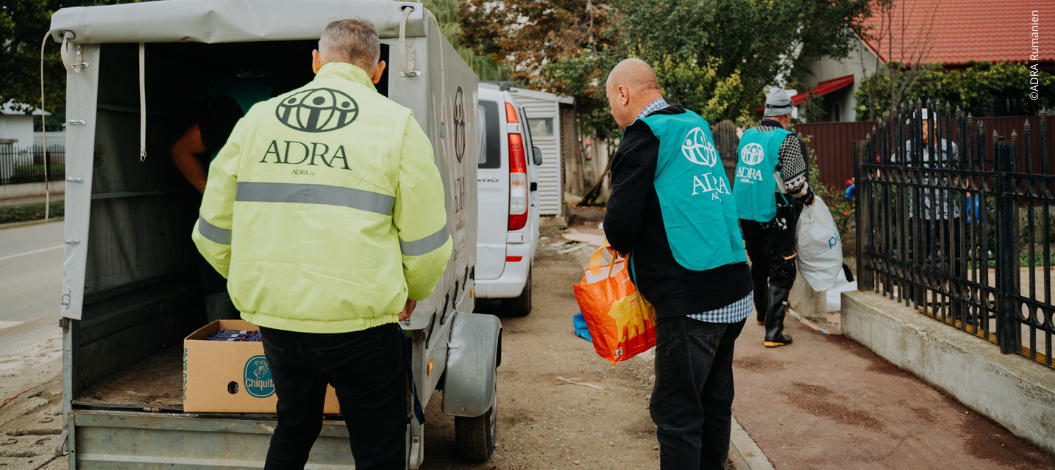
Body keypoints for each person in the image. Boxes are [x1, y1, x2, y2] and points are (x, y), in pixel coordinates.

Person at [192, 18, 452, 470]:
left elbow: (211, 231)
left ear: (315, 61)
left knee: (293, 428)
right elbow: (427, 244)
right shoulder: (397, 126)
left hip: (280, 328)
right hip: (363, 329)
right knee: (377, 449)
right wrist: (412, 290)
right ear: (378, 70)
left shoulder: (256, 120)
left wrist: (258, 283)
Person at [602, 58, 753, 470]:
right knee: (715, 404)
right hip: (736, 289)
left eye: (611, 102)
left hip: (693, 301)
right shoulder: (693, 124)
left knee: (678, 417)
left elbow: (619, 227)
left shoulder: (644, 135)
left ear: (624, 93)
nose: (613, 113)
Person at [171, 70, 290, 322]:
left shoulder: (295, 105)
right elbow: (181, 150)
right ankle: (222, 346)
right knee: (219, 272)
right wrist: (216, 200)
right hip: (230, 204)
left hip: (266, 208)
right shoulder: (235, 108)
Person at [732, 90, 815, 348]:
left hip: (746, 212)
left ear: (766, 113)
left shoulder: (747, 136)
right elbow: (794, 185)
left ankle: (761, 315)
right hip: (774, 213)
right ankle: (774, 332)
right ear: (788, 114)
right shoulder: (786, 139)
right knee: (783, 269)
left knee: (758, 263)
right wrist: (810, 198)